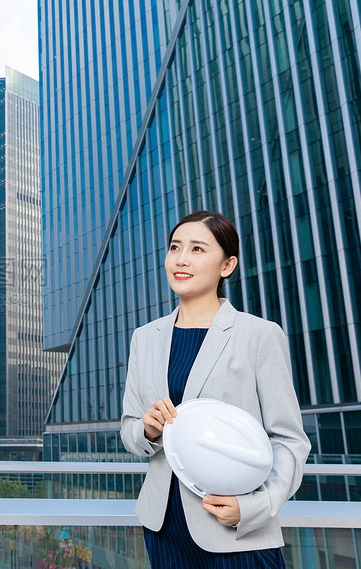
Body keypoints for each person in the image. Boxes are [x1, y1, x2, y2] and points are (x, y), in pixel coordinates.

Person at [120, 210, 311, 568]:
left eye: (197, 249)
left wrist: (254, 506)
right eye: (175, 247)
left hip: (234, 528)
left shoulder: (258, 335)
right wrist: (146, 429)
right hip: (164, 528)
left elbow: (289, 440)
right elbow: (129, 431)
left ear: (227, 265)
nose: (181, 259)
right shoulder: (145, 338)